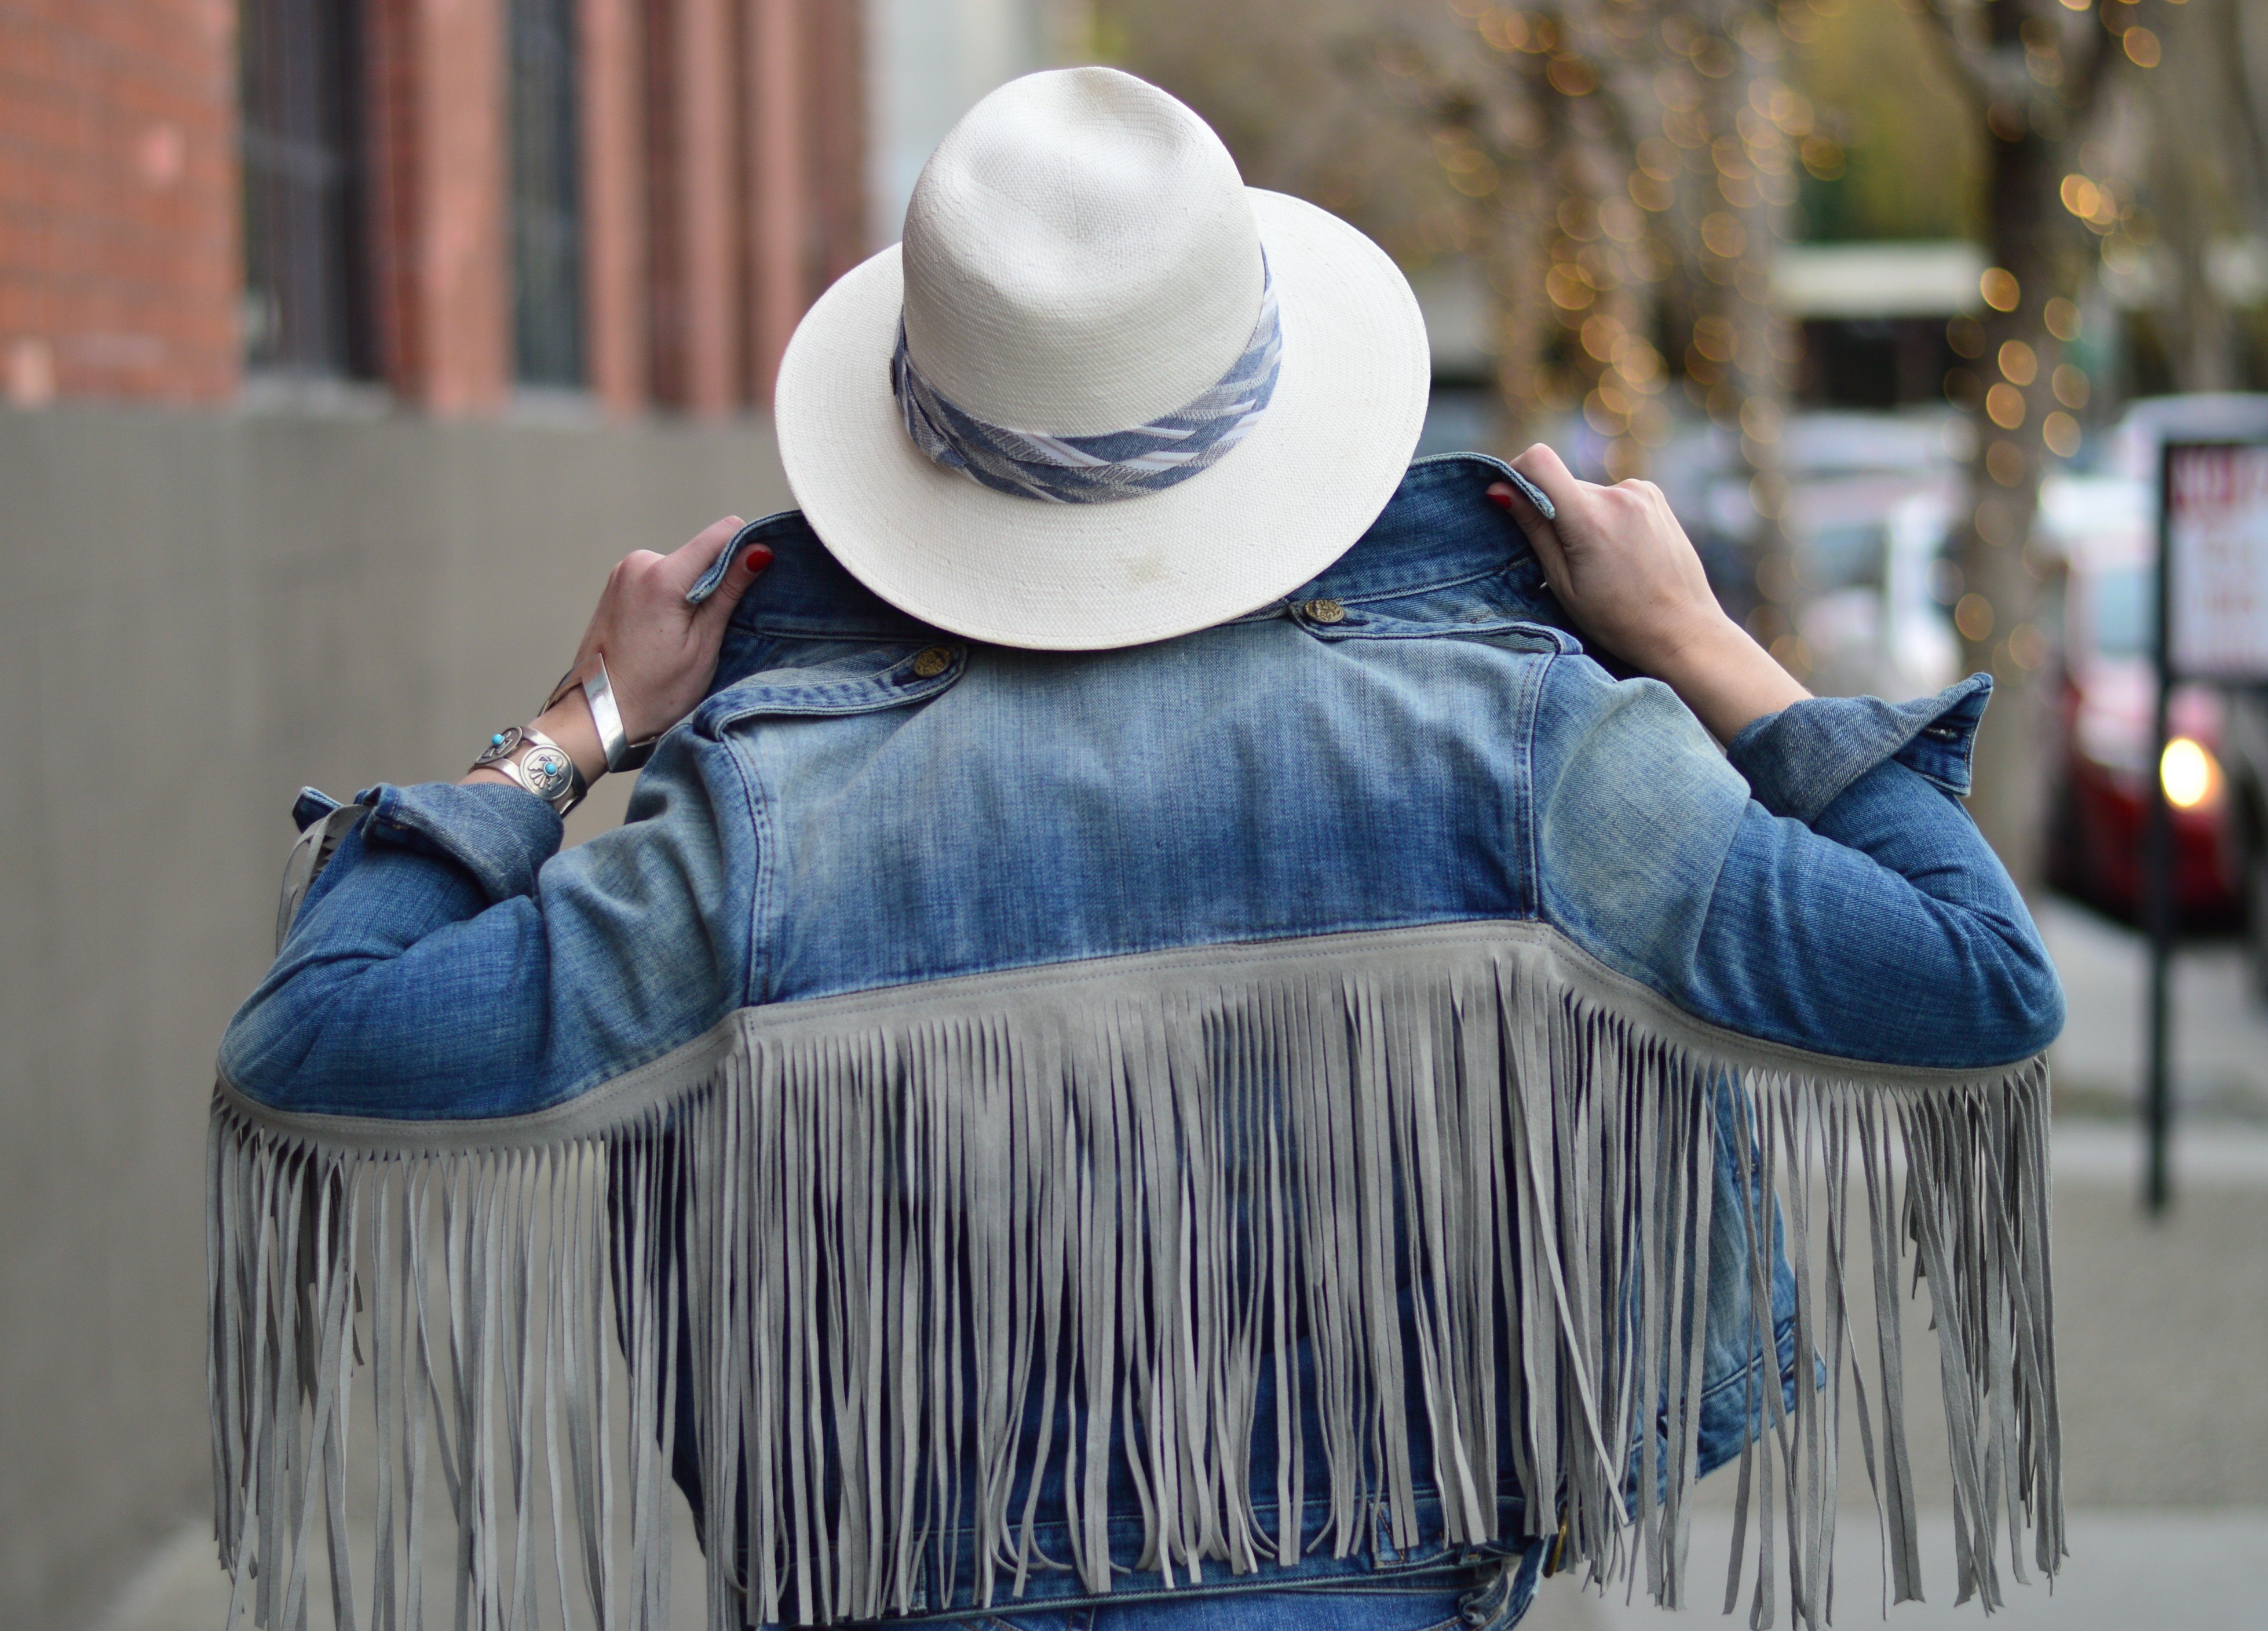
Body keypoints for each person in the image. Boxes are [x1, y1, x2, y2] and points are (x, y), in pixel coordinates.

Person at [210, 68, 2065, 1631]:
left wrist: (570, 733)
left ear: (923, 446)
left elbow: (317, 1043)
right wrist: (1704, 645)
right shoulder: (1522, 750)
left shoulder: (762, 826)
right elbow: (1974, 978)